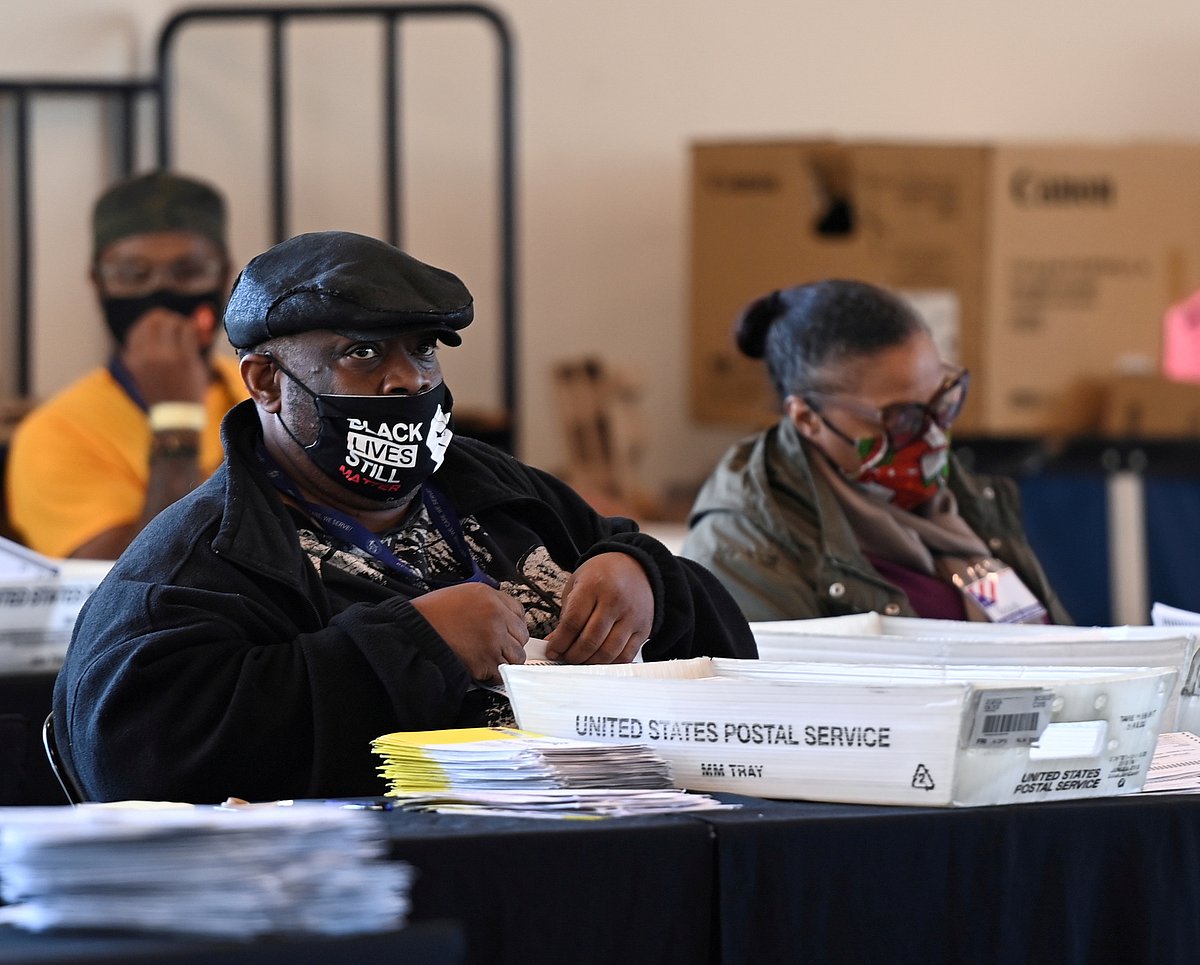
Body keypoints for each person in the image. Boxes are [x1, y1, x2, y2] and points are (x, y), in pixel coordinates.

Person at [54, 230, 757, 804]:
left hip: (613, 857)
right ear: (267, 382)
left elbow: (734, 656)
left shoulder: (499, 489)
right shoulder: (199, 561)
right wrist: (412, 647)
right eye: (362, 353)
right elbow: (134, 757)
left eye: (422, 349)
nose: (410, 379)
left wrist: (644, 577)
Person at [681, 279, 1070, 625]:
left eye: (943, 400)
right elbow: (793, 699)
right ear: (807, 418)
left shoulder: (957, 501)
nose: (933, 435)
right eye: (901, 418)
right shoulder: (743, 548)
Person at [6, 171, 246, 559]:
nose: (160, 292)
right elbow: (123, 588)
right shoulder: (55, 434)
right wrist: (177, 420)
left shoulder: (267, 389)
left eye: (188, 272)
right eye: (133, 274)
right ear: (98, 282)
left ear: (223, 276)